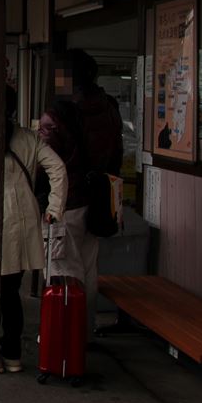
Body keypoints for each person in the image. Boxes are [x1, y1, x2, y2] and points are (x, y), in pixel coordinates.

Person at [38, 48, 123, 337]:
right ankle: (83, 337)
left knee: (63, 269)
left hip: (66, 201)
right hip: (99, 198)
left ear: (65, 78)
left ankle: (62, 340)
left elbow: (45, 162)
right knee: (89, 268)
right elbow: (117, 154)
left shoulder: (58, 115)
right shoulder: (109, 107)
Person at [0, 85, 68, 374]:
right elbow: (59, 169)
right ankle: (13, 355)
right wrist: (54, 209)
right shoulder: (30, 139)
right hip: (23, 219)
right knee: (10, 292)